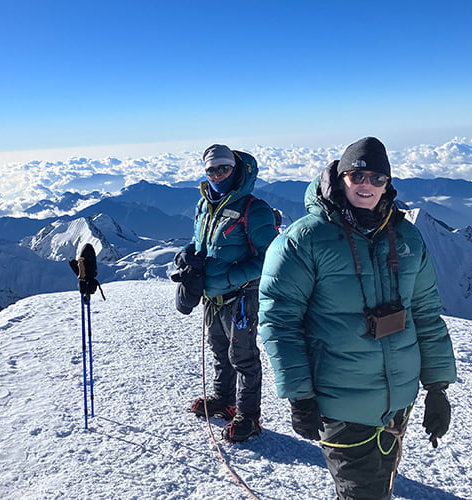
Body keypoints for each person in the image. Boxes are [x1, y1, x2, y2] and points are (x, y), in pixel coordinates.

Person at [258, 137, 456, 498]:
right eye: (357, 175)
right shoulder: (305, 240)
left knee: (378, 488)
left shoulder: (407, 237)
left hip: (398, 403)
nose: (367, 184)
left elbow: (426, 314)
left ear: (388, 185)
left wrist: (437, 388)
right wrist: (300, 395)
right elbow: (279, 321)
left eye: (377, 178)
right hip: (340, 403)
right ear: (341, 177)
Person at [172, 144, 279, 443]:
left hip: (241, 297)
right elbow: (198, 243)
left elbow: (270, 257)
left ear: (236, 169)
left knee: (242, 356)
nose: (218, 174)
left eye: (224, 168)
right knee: (220, 350)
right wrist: (185, 255)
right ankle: (224, 399)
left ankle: (249, 416)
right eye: (211, 170)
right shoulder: (203, 204)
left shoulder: (253, 209)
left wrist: (231, 277)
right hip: (212, 295)